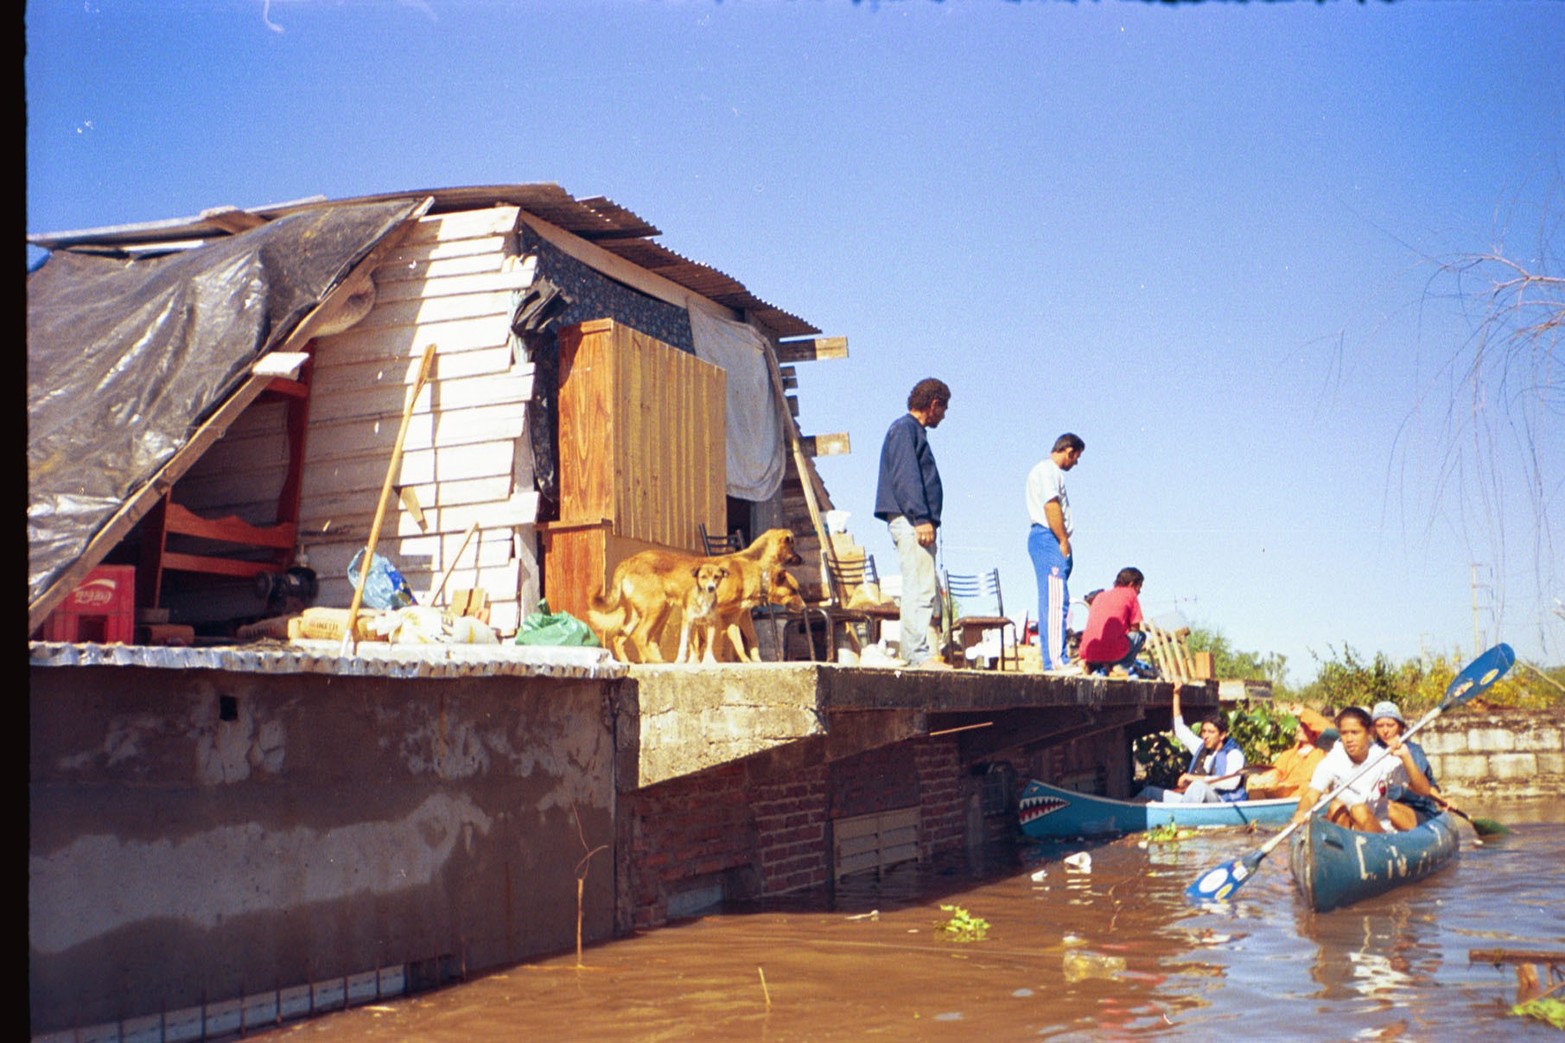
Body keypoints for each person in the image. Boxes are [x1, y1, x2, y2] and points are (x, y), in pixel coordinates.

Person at [873, 377, 953, 671]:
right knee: (919, 587)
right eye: (943, 409)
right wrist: (921, 518)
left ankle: (916, 652)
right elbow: (907, 477)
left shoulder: (907, 431)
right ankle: (917, 655)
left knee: (919, 585)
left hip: (911, 518)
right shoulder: (906, 430)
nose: (944, 416)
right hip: (911, 520)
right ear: (934, 405)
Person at [1290, 706, 1432, 833]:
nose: (1349, 739)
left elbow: (1424, 790)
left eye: (1355, 732)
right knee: (1336, 806)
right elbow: (1311, 795)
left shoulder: (1383, 758)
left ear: (1369, 732)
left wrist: (1406, 757)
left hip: (1377, 832)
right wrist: (1302, 811)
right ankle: (1341, 852)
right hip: (1346, 831)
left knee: (1359, 810)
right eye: (1344, 733)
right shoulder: (1332, 761)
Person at [1025, 432, 1085, 673]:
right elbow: (1051, 505)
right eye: (1076, 457)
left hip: (1048, 537)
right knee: (1055, 600)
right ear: (1069, 451)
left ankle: (1054, 660)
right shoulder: (1048, 471)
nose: (1075, 463)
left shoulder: (1047, 472)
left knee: (1054, 598)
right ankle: (1056, 662)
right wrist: (1062, 539)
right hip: (1048, 536)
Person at [1139, 683, 1247, 803]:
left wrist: (1193, 778)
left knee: (1198, 787)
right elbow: (1180, 730)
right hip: (1192, 801)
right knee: (1150, 792)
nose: (1205, 736)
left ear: (1222, 735)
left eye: (1211, 732)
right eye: (1204, 731)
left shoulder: (1233, 754)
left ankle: (1179, 816)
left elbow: (1231, 782)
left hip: (1220, 802)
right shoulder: (1201, 747)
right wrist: (1176, 695)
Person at [1371, 700, 1443, 829]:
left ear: (1400, 726)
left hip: (1417, 811)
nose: (1385, 730)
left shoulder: (1413, 751)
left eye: (1390, 725)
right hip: (1384, 809)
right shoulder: (1372, 752)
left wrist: (1443, 801)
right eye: (1380, 725)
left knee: (1386, 807)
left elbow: (1422, 788)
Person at [1244, 702, 1333, 800]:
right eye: (1299, 725)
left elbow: (1329, 730)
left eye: (1304, 726)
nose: (1298, 728)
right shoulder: (1288, 754)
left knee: (1308, 787)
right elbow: (1277, 772)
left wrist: (1304, 712)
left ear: (1314, 730)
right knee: (1254, 784)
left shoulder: (1322, 753)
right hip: (1282, 798)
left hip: (1306, 799)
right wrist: (1266, 778)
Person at [1078, 567, 1146, 676]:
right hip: (1110, 651)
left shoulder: (1100, 596)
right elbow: (1135, 628)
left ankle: (1089, 666)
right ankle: (1121, 667)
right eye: (1139, 587)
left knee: (1105, 647)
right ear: (1132, 584)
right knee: (1140, 636)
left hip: (1087, 651)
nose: (1139, 592)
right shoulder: (1130, 594)